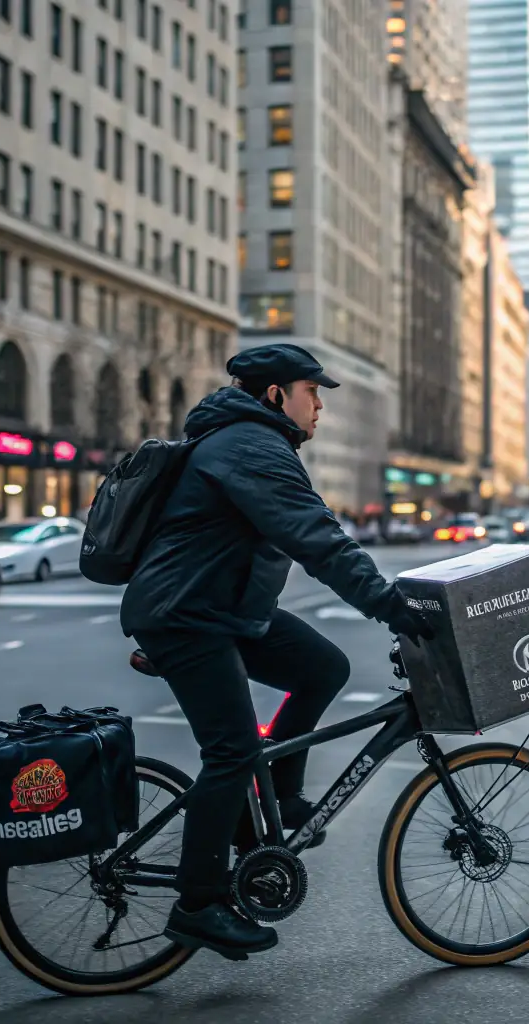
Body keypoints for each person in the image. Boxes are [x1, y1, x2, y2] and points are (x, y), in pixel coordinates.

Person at [120, 343, 435, 959]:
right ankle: (198, 906)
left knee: (323, 667)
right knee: (232, 751)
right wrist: (389, 604)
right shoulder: (250, 447)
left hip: (224, 609)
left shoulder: (252, 442)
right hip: (188, 617)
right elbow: (317, 539)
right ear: (275, 395)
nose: (319, 405)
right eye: (311, 391)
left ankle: (277, 802)